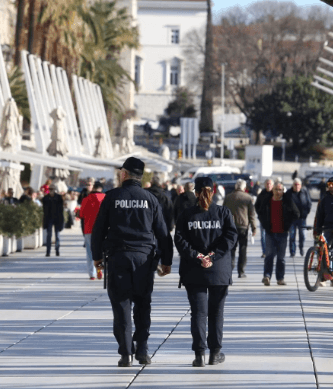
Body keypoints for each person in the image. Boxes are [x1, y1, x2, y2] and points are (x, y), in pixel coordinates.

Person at [91, 157, 174, 367]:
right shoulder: (150, 199)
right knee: (143, 305)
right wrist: (167, 261)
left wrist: (97, 257)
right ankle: (143, 351)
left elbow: (98, 230)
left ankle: (126, 352)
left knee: (121, 306)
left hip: (118, 257)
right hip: (144, 260)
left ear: (124, 174)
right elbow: (163, 234)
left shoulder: (112, 197)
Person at [174, 177, 237, 367]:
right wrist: (212, 256)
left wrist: (198, 256)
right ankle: (215, 353)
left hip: (194, 271)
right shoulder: (223, 212)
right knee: (217, 313)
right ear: (214, 190)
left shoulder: (187, 215)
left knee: (198, 314)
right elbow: (231, 237)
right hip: (218, 271)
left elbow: (179, 239)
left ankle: (199, 355)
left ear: (195, 191)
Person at [258, 181, 299, 286]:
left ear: (283, 191)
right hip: (270, 233)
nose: (278, 192)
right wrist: (265, 224)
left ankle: (280, 278)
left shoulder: (287, 200)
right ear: (273, 190)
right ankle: (267, 276)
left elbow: (296, 213)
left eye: (280, 190)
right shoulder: (267, 200)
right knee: (269, 256)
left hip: (283, 233)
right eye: (276, 189)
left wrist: (288, 225)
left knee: (281, 258)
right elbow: (260, 212)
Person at [223, 179, 257, 278]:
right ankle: (241, 271)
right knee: (243, 249)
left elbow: (223, 212)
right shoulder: (248, 198)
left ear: (235, 187)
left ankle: (230, 267)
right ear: (244, 187)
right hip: (243, 227)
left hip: (230, 227)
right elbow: (252, 215)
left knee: (231, 249)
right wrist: (254, 227)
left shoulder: (228, 197)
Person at [314, 176, 333, 267]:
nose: (330, 186)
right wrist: (317, 229)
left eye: (332, 184)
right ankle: (323, 267)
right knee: (323, 246)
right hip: (327, 226)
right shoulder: (325, 198)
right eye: (328, 184)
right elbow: (320, 215)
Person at [79, 182, 106, 280]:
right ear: (101, 189)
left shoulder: (86, 199)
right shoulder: (105, 198)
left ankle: (92, 274)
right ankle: (100, 268)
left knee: (90, 252)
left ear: (93, 188)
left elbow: (81, 214)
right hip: (103, 229)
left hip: (89, 229)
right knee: (102, 251)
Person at [285, 178, 312, 257]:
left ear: (301, 186)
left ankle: (301, 248)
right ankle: (292, 251)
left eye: (298, 185)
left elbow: (309, 203)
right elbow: (285, 205)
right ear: (293, 185)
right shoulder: (288, 193)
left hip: (302, 218)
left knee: (302, 235)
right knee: (292, 235)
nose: (297, 186)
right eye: (295, 185)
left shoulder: (304, 192)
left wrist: (306, 213)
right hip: (292, 219)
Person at [42, 184, 64, 257]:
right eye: (50, 189)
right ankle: (48, 251)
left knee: (57, 235)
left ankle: (57, 250)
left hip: (57, 218)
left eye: (53, 189)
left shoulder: (59, 198)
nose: (51, 191)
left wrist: (61, 220)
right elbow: (44, 210)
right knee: (49, 235)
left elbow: (61, 210)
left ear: (55, 190)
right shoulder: (45, 198)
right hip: (49, 219)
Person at [254, 179, 274, 258]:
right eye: (267, 184)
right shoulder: (262, 194)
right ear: (265, 185)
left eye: (270, 184)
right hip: (263, 220)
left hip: (273, 220)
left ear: (272, 185)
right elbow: (256, 205)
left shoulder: (275, 194)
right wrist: (260, 214)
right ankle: (265, 252)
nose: (268, 185)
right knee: (263, 236)